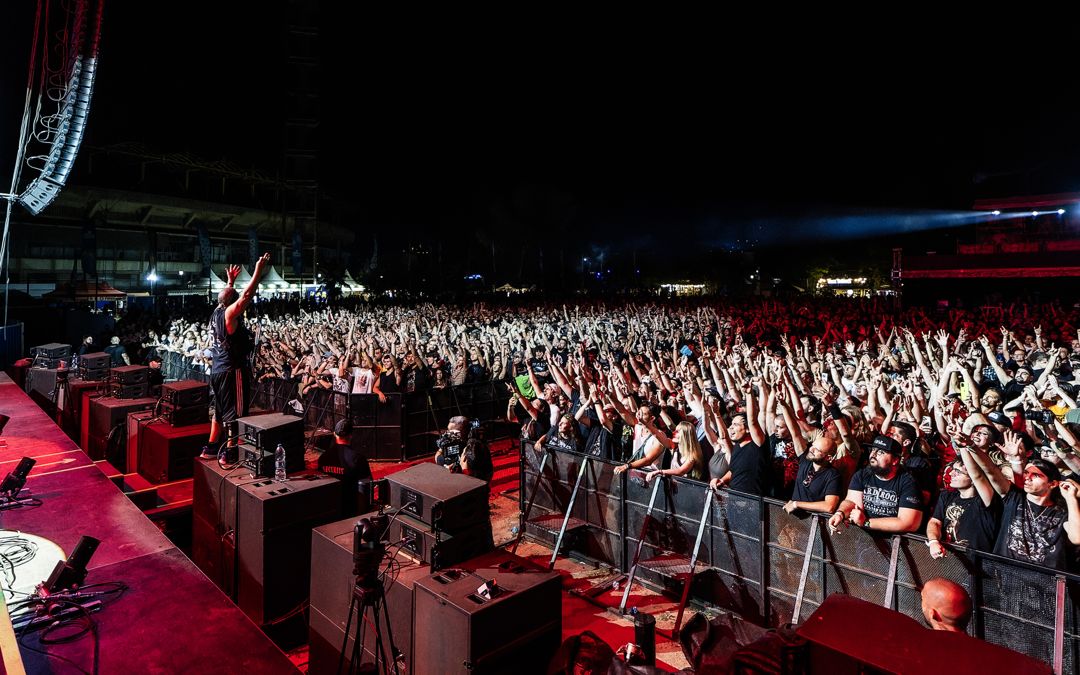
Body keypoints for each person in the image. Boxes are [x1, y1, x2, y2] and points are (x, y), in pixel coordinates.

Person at [965, 429, 1080, 570]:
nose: (1027, 477)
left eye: (1036, 475)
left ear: (1053, 483)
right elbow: (991, 471)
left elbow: (1077, 537)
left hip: (1042, 587)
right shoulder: (1015, 498)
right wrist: (970, 445)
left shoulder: (1061, 513)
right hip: (1005, 581)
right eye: (1026, 473)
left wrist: (1071, 498)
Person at [200, 253, 271, 460]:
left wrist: (230, 282)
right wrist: (258, 271)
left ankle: (212, 447)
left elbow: (226, 297)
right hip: (233, 369)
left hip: (217, 370)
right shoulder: (229, 315)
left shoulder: (216, 312)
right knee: (236, 413)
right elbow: (246, 296)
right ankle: (230, 451)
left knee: (220, 411)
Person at [828, 435, 923, 534]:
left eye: (881, 452)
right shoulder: (862, 474)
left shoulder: (908, 482)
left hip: (896, 542)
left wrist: (866, 522)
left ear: (895, 460)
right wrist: (840, 513)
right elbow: (852, 502)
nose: (873, 454)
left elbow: (909, 523)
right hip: (865, 538)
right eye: (873, 449)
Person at [317, 418, 372, 517]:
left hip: (329, 510)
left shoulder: (323, 458)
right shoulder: (358, 459)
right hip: (350, 511)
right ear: (351, 436)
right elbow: (365, 488)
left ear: (334, 434)